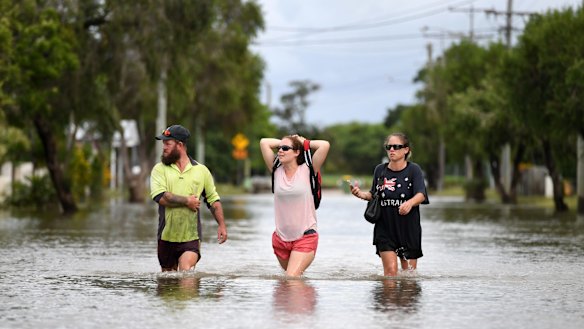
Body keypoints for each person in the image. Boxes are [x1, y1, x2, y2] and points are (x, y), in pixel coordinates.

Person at [150, 124, 227, 272]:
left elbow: (213, 200)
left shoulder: (202, 171)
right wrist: (187, 201)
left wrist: (222, 225)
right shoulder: (158, 169)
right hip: (165, 236)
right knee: (168, 284)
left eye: (167, 143)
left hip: (191, 237)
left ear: (179, 145)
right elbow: (161, 197)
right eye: (163, 143)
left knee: (185, 271)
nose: (164, 147)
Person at [349, 132, 428, 276]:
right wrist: (360, 194)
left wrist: (410, 203)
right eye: (389, 147)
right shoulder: (380, 170)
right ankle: (388, 298)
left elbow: (421, 194)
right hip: (385, 228)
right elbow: (374, 195)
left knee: (408, 276)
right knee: (390, 273)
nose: (392, 150)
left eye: (396, 147)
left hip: (408, 229)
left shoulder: (414, 170)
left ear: (406, 150)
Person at [259, 135, 330, 277]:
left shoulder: (308, 169)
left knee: (291, 278)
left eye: (285, 148)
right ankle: (306, 297)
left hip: (305, 236)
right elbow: (264, 142)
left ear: (297, 152)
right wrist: (287, 142)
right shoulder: (276, 170)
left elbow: (325, 145)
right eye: (279, 148)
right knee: (289, 285)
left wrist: (303, 143)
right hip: (280, 239)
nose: (280, 151)